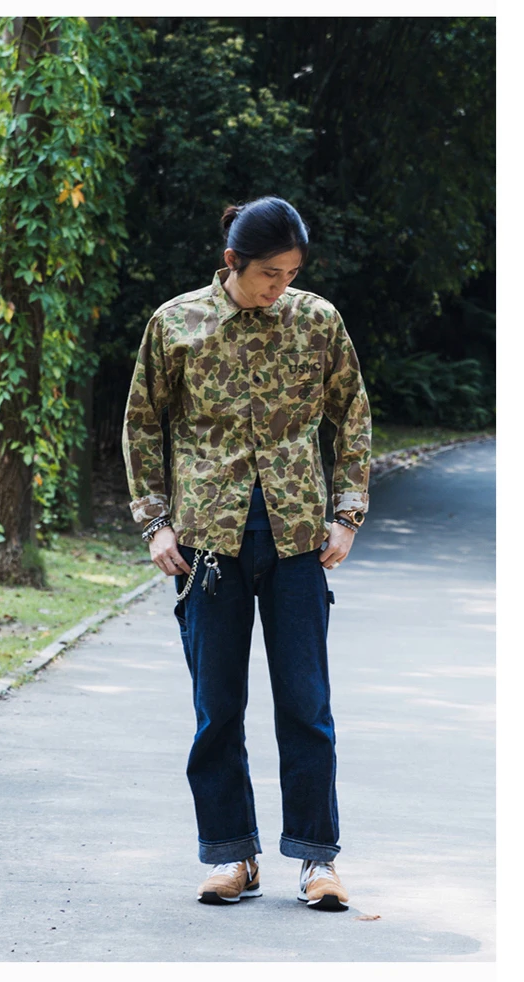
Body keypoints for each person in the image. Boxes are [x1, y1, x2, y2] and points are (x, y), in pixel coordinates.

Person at [121, 195, 371, 910]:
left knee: (307, 706)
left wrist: (347, 513)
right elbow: (142, 425)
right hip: (206, 545)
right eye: (269, 273)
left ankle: (317, 860)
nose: (280, 287)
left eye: (291, 274)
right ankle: (232, 855)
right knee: (217, 711)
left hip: (297, 542)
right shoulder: (176, 323)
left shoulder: (317, 320)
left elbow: (352, 415)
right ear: (233, 261)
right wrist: (154, 522)